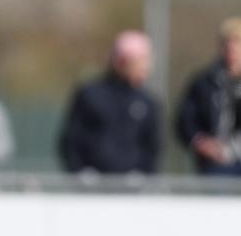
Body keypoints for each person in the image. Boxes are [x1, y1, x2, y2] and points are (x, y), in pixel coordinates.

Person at [59, 31, 160, 175]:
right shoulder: (90, 94)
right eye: (139, 61)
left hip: (133, 191)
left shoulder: (147, 102)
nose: (145, 67)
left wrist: (143, 176)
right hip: (92, 189)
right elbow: (71, 139)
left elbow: (152, 147)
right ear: (120, 62)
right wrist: (79, 172)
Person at [176, 17, 241, 176]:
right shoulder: (204, 82)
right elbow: (185, 121)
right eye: (227, 43)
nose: (231, 49)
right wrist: (201, 142)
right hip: (214, 164)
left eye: (237, 42)